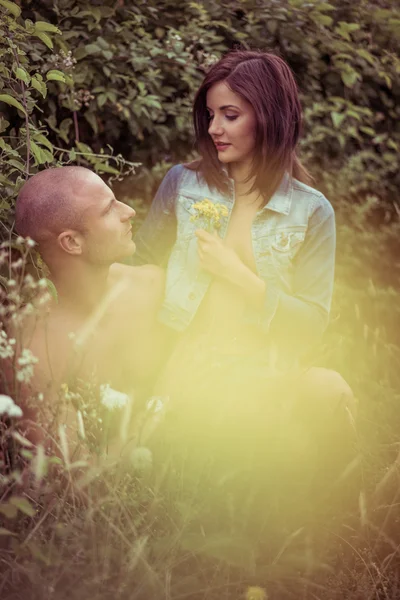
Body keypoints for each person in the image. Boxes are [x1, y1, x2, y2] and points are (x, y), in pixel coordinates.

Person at [133, 50, 356, 470]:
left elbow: (311, 321)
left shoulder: (311, 211)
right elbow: (141, 269)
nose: (215, 128)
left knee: (331, 394)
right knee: (149, 469)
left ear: (269, 117)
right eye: (211, 114)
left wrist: (239, 277)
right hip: (185, 360)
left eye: (230, 115)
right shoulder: (182, 184)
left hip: (266, 369)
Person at [4, 166, 169, 451]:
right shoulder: (32, 348)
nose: (128, 211)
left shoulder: (151, 287)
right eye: (108, 210)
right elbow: (67, 470)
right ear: (72, 242)